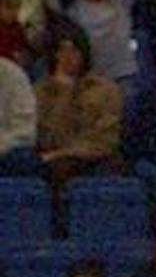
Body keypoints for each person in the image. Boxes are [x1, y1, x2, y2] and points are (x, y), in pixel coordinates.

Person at [35, 18, 120, 189]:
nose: (67, 57)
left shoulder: (107, 90)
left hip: (93, 161)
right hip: (52, 163)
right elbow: (44, 138)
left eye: (74, 50)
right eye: (61, 50)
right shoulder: (39, 92)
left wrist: (63, 153)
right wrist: (62, 93)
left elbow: (105, 141)